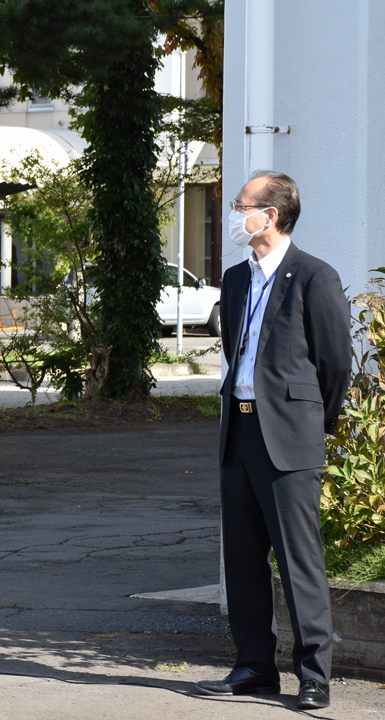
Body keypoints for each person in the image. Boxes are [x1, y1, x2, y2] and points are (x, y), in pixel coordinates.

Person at [196, 171, 351, 710]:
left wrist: (310, 427)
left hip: (288, 439)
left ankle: (314, 675)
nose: (235, 215)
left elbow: (334, 367)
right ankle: (253, 666)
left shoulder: (314, 276)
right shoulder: (237, 279)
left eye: (242, 206)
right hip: (238, 430)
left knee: (297, 559)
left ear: (272, 216)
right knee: (241, 558)